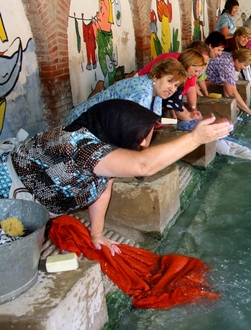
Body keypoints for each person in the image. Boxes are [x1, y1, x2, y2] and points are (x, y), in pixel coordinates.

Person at [1, 99, 233, 255]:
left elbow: (104, 187)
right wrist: (195, 138)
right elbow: (144, 165)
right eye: (140, 136)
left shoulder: (104, 144)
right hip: (8, 194)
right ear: (118, 127)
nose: (143, 143)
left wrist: (97, 234)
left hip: (37, 203)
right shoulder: (80, 146)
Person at [64, 58, 187, 125]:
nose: (172, 89)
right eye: (170, 81)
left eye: (176, 85)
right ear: (156, 76)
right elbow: (132, 130)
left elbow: (149, 122)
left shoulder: (156, 88)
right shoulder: (143, 93)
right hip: (81, 123)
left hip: (97, 122)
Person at [136, 48, 206, 122]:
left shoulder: (181, 74)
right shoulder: (174, 72)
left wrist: (190, 112)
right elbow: (176, 105)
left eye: (176, 86)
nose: (197, 74)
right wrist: (194, 123)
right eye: (196, 71)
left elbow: (176, 102)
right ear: (189, 65)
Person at [205, 48, 251, 118]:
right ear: (237, 61)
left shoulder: (229, 57)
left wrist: (234, 103)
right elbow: (232, 92)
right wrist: (248, 111)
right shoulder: (227, 65)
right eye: (245, 65)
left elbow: (227, 84)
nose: (245, 68)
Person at [196, 31, 228, 97]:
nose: (220, 54)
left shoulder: (208, 59)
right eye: (218, 50)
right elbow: (191, 82)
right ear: (210, 46)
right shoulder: (199, 56)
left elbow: (201, 78)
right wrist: (202, 96)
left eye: (221, 50)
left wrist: (205, 93)